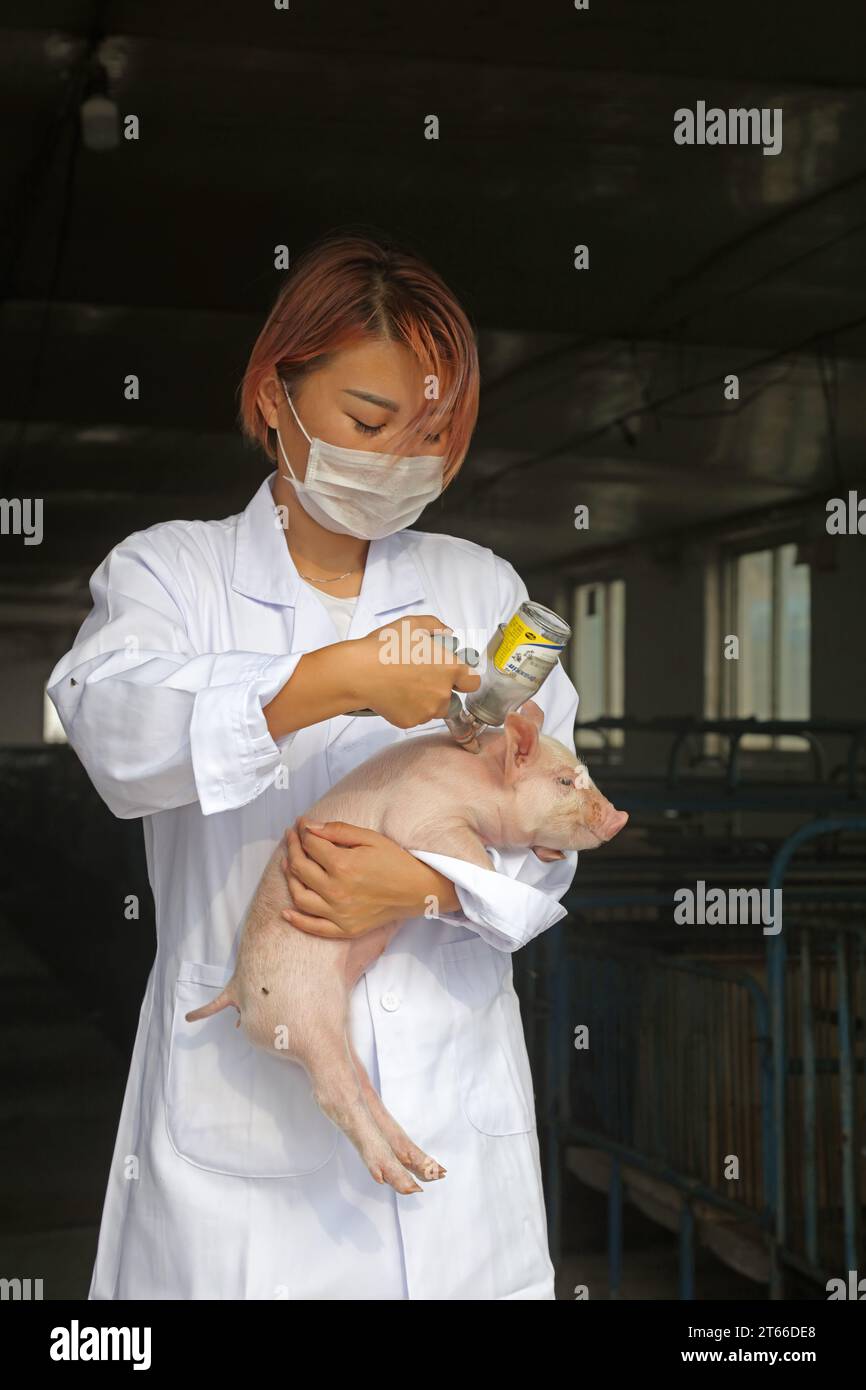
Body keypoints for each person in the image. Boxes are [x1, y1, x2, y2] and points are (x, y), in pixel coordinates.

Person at [47, 229, 580, 1300]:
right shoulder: (173, 572)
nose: (393, 462)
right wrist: (327, 681)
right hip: (243, 1148)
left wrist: (429, 887)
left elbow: (553, 823)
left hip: (449, 1126)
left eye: (429, 437)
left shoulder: (482, 590)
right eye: (367, 422)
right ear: (272, 394)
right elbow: (109, 731)